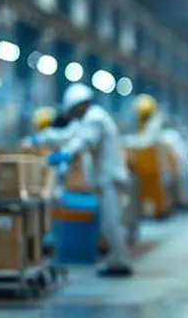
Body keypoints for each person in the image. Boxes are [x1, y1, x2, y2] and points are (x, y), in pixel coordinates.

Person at [34, 84, 133, 277]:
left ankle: (122, 262)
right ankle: (116, 260)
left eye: (73, 110)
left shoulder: (95, 118)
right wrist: (41, 138)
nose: (73, 114)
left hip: (110, 179)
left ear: (82, 104)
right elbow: (69, 134)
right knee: (108, 223)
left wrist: (64, 154)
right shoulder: (88, 118)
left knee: (112, 222)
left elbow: (83, 141)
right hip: (105, 179)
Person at [129, 94, 188, 207]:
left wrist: (124, 141)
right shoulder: (150, 127)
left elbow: (145, 142)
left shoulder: (157, 127)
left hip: (163, 172)